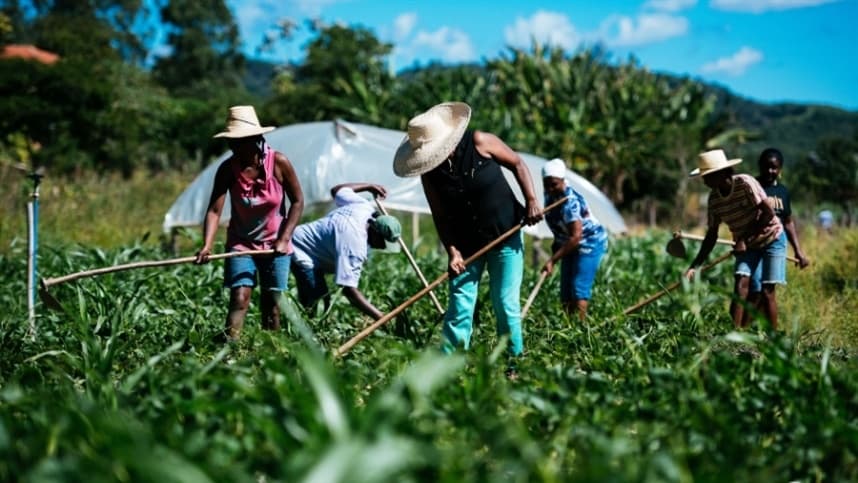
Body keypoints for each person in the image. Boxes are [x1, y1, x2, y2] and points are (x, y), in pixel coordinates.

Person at [393, 101, 542, 371]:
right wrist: (452, 251)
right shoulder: (430, 173)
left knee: (505, 303)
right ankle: (449, 367)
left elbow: (518, 164)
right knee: (460, 306)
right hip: (466, 247)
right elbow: (439, 215)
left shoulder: (480, 141)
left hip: (504, 235)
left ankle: (513, 364)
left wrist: (531, 200)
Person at [195, 105, 304, 341]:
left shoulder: (279, 163)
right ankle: (229, 351)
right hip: (241, 243)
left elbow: (297, 201)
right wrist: (207, 245)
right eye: (231, 142)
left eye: (238, 141)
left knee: (271, 306)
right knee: (239, 298)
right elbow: (215, 210)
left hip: (275, 245)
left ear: (255, 138)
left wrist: (284, 239)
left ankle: (270, 356)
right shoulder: (227, 169)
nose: (232, 146)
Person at [683, 149, 784, 329]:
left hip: (772, 237)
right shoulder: (714, 199)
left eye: (707, 176)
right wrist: (695, 265)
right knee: (741, 284)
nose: (704, 181)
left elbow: (768, 213)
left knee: (767, 291)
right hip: (747, 245)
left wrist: (744, 238)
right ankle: (734, 337)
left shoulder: (745, 183)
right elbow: (712, 235)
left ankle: (775, 341)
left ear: (720, 174)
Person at [290, 183, 402, 320]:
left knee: (318, 302)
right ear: (375, 233)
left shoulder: (364, 207)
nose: (382, 248)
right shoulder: (354, 245)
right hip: (301, 250)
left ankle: (307, 329)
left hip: (305, 240)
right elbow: (347, 289)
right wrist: (380, 317)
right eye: (383, 244)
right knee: (318, 304)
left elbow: (337, 190)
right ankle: (305, 335)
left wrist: (368, 186)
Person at [746, 148, 810, 324]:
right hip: (753, 243)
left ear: (780, 169)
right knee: (754, 289)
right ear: (759, 166)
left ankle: (771, 337)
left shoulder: (783, 192)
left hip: (775, 242)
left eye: (774, 168)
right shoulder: (751, 186)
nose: (770, 171)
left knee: (767, 291)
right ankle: (743, 331)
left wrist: (798, 251)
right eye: (766, 167)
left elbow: (788, 222)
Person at [540, 158, 608, 320]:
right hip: (569, 244)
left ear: (562, 180)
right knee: (565, 292)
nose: (550, 188)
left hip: (588, 242)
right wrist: (556, 248)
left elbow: (576, 237)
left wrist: (552, 260)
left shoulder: (571, 203)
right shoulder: (550, 196)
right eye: (546, 184)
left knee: (578, 289)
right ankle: (568, 326)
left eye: (554, 184)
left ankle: (580, 331)